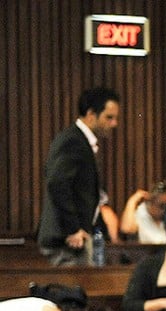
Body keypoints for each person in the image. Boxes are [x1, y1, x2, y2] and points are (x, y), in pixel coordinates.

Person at [37, 86, 120, 266]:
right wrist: (73, 228)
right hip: (66, 240)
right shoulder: (73, 140)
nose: (114, 124)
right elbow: (57, 183)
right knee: (72, 292)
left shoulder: (80, 141)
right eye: (109, 117)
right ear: (91, 114)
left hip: (75, 238)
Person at [117, 180, 166, 245]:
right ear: (150, 202)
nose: (165, 209)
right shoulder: (141, 213)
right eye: (162, 206)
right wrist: (132, 201)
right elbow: (127, 229)